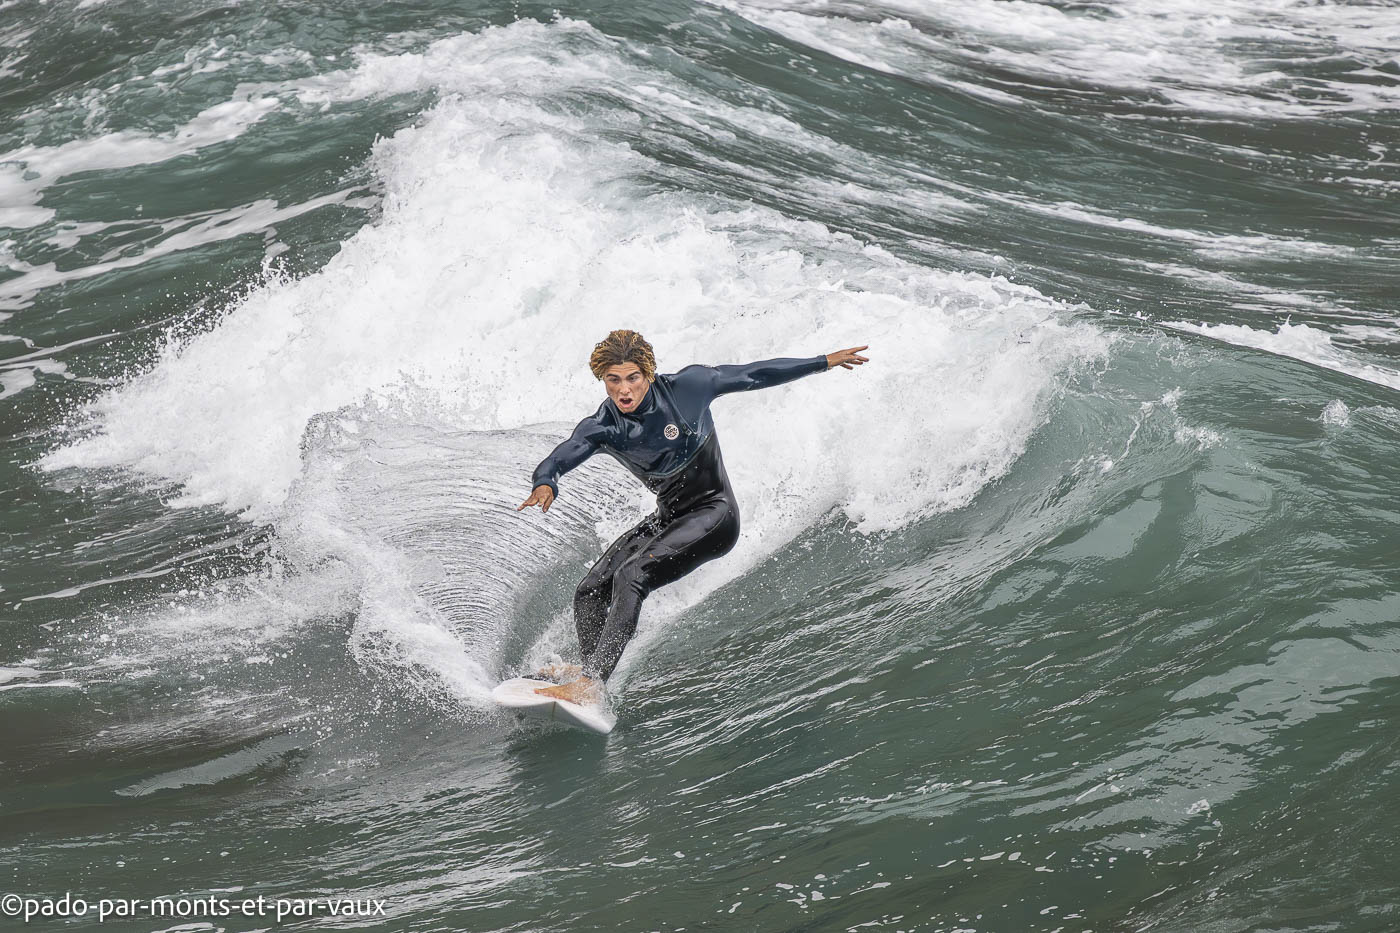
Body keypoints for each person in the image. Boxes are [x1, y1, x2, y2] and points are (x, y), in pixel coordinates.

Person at [517, 330, 869, 704]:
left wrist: (822, 362)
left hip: (715, 515)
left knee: (632, 575)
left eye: (632, 377)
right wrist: (546, 482)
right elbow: (562, 455)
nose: (624, 390)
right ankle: (590, 670)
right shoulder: (604, 426)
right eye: (613, 380)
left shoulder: (689, 388)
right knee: (590, 590)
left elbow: (755, 373)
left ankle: (592, 683)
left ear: (648, 374)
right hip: (671, 516)